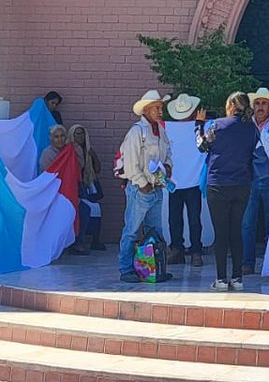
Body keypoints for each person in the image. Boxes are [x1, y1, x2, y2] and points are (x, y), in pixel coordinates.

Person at [196, 91, 259, 291]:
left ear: (230, 105)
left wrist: (199, 124)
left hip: (218, 184)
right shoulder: (252, 128)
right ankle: (238, 278)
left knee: (221, 233)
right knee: (236, 231)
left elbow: (202, 146)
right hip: (242, 184)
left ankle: (221, 279)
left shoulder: (218, 125)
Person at [118, 90, 173, 284]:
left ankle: (153, 267)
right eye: (157, 108)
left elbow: (168, 155)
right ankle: (125, 269)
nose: (160, 111)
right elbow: (131, 163)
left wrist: (168, 168)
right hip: (140, 189)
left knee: (155, 230)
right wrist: (142, 184)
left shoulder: (161, 131)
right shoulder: (136, 132)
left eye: (160, 107)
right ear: (147, 109)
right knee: (132, 230)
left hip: (157, 187)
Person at [241, 87, 269, 275]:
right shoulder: (245, 126)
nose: (260, 107)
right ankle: (247, 262)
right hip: (249, 179)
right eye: (257, 103)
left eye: (264, 103)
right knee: (248, 222)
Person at [165, 94, 204, 266]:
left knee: (193, 219)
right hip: (177, 181)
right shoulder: (170, 127)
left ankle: (194, 250)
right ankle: (179, 249)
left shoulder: (168, 127)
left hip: (187, 180)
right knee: (176, 218)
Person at [69, 124, 106, 250]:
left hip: (88, 184)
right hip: (76, 186)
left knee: (96, 210)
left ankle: (95, 240)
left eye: (82, 133)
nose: (80, 136)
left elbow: (98, 169)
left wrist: (92, 156)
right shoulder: (70, 151)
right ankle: (79, 241)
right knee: (85, 210)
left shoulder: (88, 150)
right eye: (77, 134)